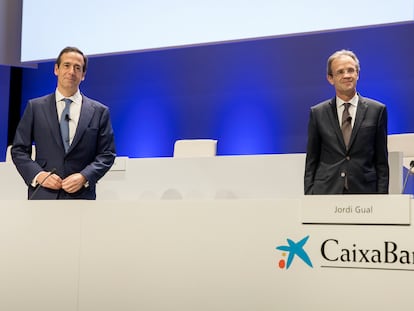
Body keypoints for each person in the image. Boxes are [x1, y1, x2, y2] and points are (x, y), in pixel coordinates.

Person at [11, 46, 116, 199]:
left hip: (81, 197)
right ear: (56, 69)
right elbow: (19, 150)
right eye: (66, 65)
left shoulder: (99, 111)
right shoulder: (35, 107)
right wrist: (39, 175)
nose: (71, 72)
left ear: (83, 75)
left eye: (77, 67)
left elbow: (107, 154)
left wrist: (84, 177)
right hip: (43, 195)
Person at [304, 49, 389, 194]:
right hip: (326, 192)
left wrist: (381, 198)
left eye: (351, 70)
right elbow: (312, 161)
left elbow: (381, 162)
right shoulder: (318, 113)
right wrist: (310, 195)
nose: (347, 75)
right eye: (340, 72)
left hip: (365, 193)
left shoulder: (377, 110)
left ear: (357, 74)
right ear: (330, 78)